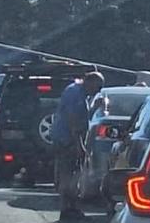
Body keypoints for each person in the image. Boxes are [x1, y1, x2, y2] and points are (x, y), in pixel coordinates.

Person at [51, 72, 105, 222]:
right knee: (67, 176)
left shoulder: (81, 94)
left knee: (75, 175)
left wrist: (96, 107)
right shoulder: (74, 93)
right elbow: (73, 120)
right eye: (98, 86)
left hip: (70, 140)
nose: (98, 91)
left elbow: (83, 118)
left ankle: (72, 208)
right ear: (90, 82)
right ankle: (66, 210)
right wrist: (79, 145)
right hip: (66, 141)